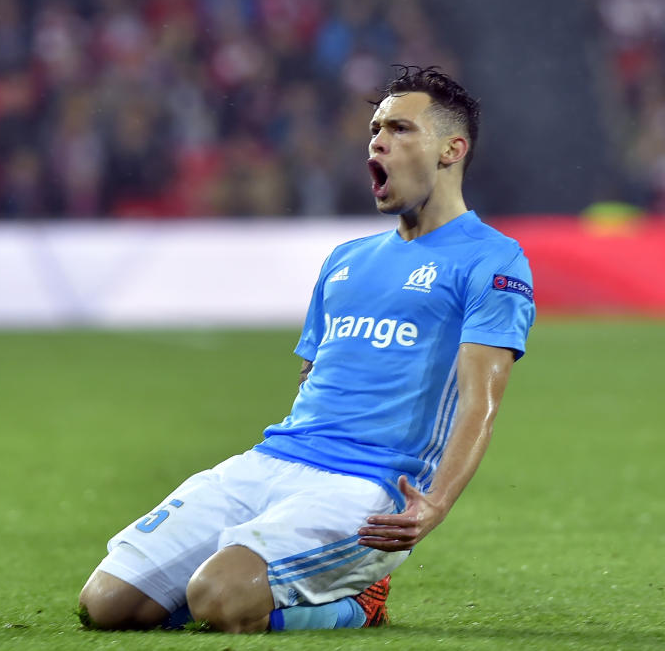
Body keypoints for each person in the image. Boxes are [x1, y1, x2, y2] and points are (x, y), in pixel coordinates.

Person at [78, 65, 535, 634]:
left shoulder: (493, 260)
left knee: (220, 599)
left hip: (371, 486)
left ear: (451, 149)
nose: (377, 140)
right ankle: (248, 579)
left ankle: (358, 602)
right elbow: (313, 376)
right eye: (374, 130)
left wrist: (435, 503)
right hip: (275, 460)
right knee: (106, 605)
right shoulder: (345, 259)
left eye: (399, 129)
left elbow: (480, 403)